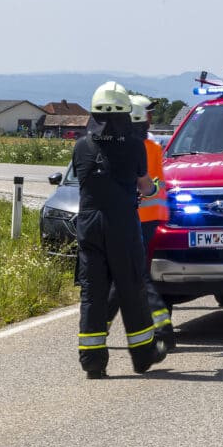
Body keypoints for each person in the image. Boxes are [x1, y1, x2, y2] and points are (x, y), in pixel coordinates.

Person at [73, 81, 167, 379]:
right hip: (122, 225)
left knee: (93, 292)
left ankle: (93, 361)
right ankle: (142, 355)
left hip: (88, 225)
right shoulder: (135, 146)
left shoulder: (81, 145)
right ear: (126, 115)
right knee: (131, 288)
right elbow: (144, 185)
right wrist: (152, 188)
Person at [106, 95, 175, 349]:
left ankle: (162, 326)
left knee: (133, 275)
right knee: (127, 275)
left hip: (134, 219)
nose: (151, 118)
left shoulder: (127, 147)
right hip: (151, 218)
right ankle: (102, 323)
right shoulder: (153, 147)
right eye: (148, 114)